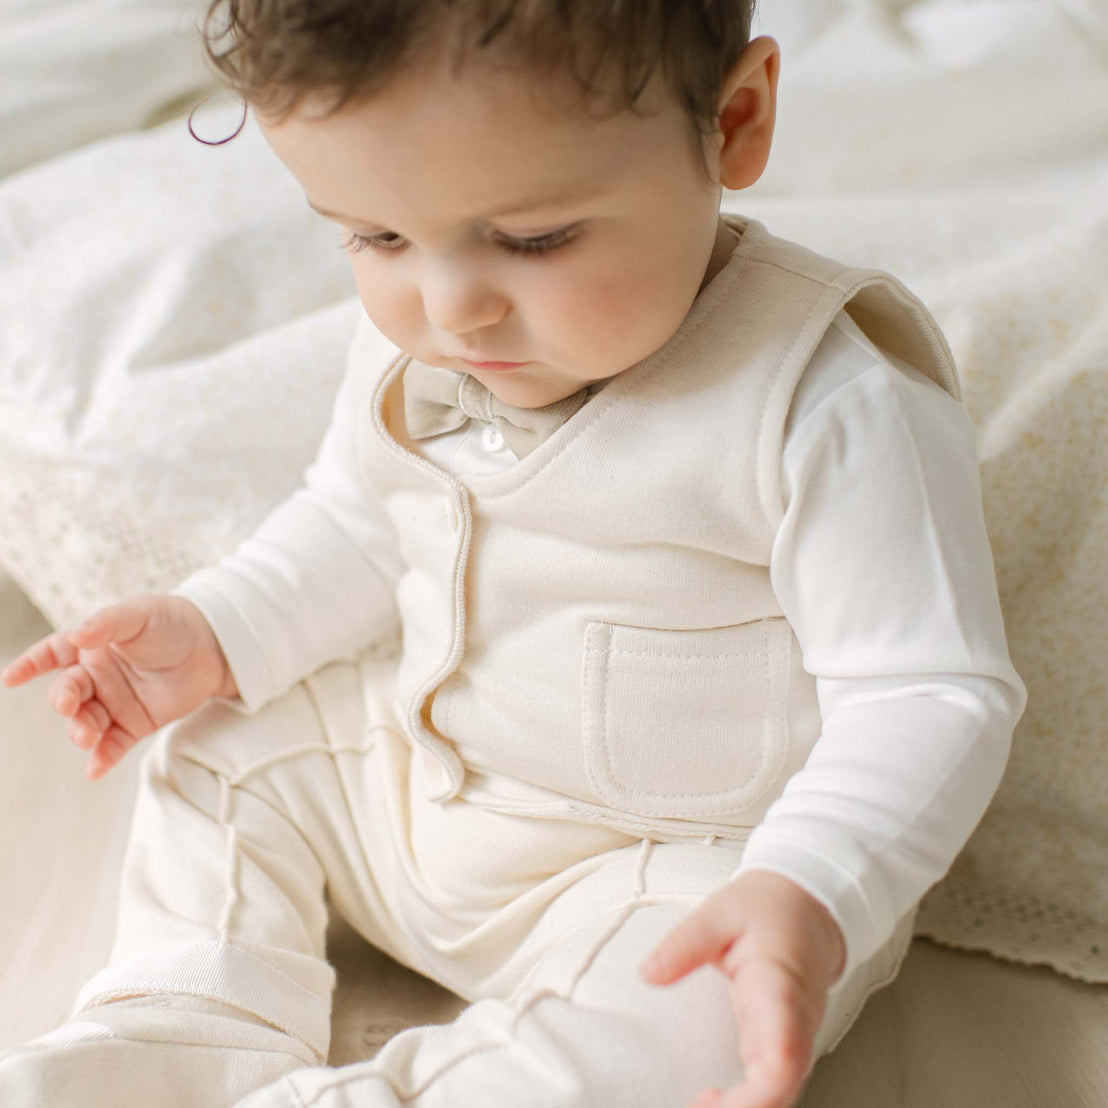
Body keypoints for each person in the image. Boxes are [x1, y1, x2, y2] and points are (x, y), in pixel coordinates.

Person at [0, 2, 1027, 1106]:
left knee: (703, 1020)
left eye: (534, 239)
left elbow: (925, 690)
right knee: (227, 731)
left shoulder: (823, 404)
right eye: (376, 238)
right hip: (427, 799)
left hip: (674, 873)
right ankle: (181, 1027)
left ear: (732, 123)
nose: (452, 309)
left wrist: (814, 881)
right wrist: (220, 626)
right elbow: (357, 513)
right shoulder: (430, 341)